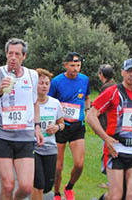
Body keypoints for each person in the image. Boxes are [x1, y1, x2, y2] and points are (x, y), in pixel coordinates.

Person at [0, 38, 44, 200]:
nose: (13, 57)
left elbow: (35, 103)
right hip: (2, 135)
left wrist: (37, 127)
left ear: (24, 56)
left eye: (17, 54)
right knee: (8, 185)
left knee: (26, 187)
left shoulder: (32, 75)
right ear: (6, 54)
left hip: (25, 135)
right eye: (10, 53)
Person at [86, 58, 132, 200]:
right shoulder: (113, 92)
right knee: (115, 196)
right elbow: (91, 115)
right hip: (116, 149)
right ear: (122, 73)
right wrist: (106, 138)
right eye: (128, 71)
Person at [49, 52, 90, 200]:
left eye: (78, 66)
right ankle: (57, 193)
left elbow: (86, 98)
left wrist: (88, 110)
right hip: (61, 125)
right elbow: (50, 102)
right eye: (72, 65)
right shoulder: (56, 81)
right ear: (65, 65)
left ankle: (69, 187)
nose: (75, 69)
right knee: (58, 166)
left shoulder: (85, 80)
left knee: (79, 164)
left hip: (77, 126)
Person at [31, 68, 64, 200]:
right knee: (38, 183)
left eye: (47, 83)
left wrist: (56, 127)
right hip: (33, 148)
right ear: (35, 85)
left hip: (50, 147)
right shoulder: (30, 103)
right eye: (41, 83)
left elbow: (62, 123)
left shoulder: (55, 103)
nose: (44, 86)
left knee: (47, 186)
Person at [96, 64, 116, 190]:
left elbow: (102, 106)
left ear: (101, 75)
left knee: (109, 154)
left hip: (108, 127)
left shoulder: (106, 88)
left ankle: (111, 183)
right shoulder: (116, 86)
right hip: (114, 125)